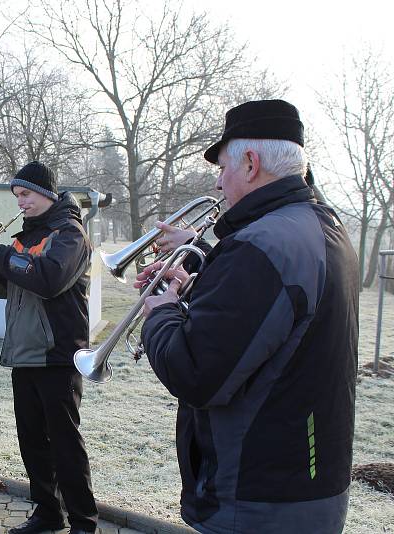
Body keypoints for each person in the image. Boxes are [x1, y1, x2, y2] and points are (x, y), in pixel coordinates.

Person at [137, 100, 359, 533]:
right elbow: (275, 322)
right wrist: (205, 264)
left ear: (252, 164)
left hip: (259, 499)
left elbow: (195, 373)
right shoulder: (322, 227)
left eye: (223, 169)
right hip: (309, 485)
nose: (219, 184)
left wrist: (161, 313)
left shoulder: (262, 246)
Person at [0, 161, 98, 534]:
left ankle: (84, 523)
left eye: (25, 194)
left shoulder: (70, 234)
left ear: (45, 193)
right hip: (25, 353)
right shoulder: (26, 238)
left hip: (58, 353)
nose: (20, 202)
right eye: (17, 196)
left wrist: (1, 255)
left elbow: (49, 278)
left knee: (65, 444)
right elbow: (10, 287)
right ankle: (48, 513)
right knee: (32, 443)